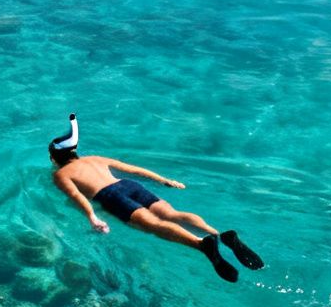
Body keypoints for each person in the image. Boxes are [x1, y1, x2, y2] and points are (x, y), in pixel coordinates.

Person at [46, 114, 263, 283]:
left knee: (153, 224)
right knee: (172, 214)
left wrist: (92, 216)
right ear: (74, 152)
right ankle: (218, 234)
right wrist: (164, 180)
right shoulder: (95, 159)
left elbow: (75, 195)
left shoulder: (60, 175)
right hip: (129, 185)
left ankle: (201, 244)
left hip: (110, 196)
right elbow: (133, 169)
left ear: (55, 158)